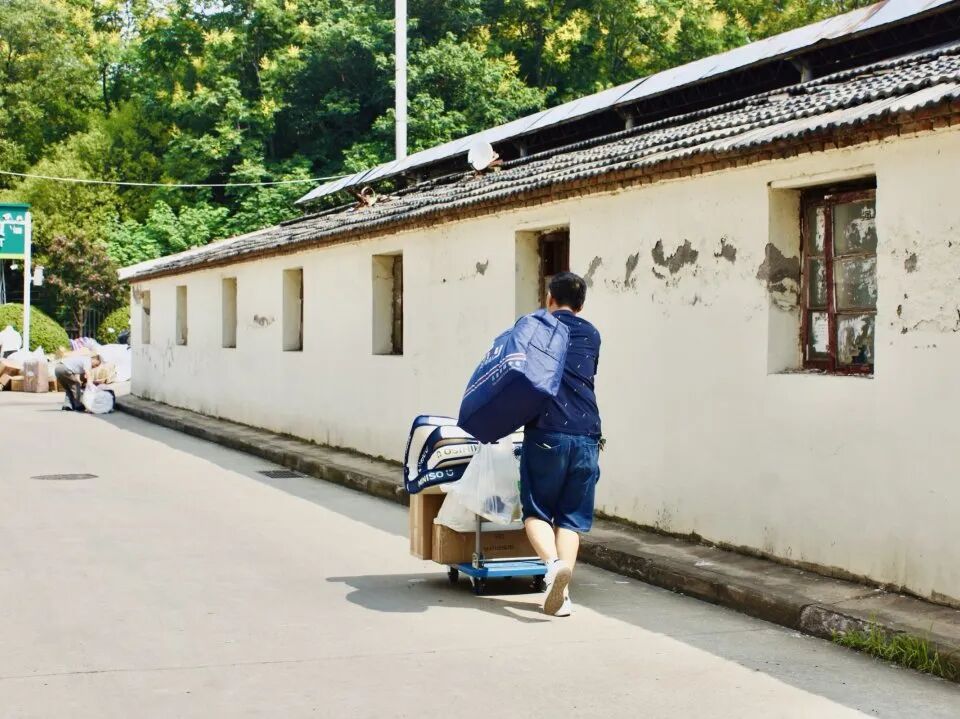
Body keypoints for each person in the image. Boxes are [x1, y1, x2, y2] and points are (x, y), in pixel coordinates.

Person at [521, 271, 602, 617]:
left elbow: (521, 377)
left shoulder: (538, 327)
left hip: (548, 430)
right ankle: (562, 596)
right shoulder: (593, 334)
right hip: (587, 433)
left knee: (536, 511)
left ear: (549, 300)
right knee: (570, 518)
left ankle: (553, 566)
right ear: (580, 305)